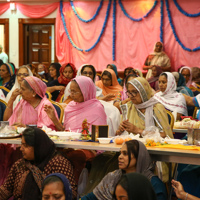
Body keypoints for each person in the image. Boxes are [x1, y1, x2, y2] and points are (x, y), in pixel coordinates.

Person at [0, 127, 77, 200]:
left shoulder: (59, 163)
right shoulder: (20, 164)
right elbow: (6, 190)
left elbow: (70, 193)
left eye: (25, 145)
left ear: (38, 147)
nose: (21, 149)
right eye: (21, 144)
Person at [81, 140, 167, 200]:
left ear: (139, 158)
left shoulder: (153, 183)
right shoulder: (113, 177)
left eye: (125, 154)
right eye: (120, 153)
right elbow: (90, 198)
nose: (120, 157)